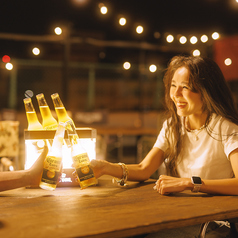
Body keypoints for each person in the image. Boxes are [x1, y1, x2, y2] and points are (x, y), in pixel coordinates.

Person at [91, 55, 238, 196]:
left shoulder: (226, 129)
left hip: (217, 216)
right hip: (185, 210)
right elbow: (144, 169)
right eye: (173, 85)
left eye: (185, 87)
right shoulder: (173, 125)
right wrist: (105, 167)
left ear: (207, 91)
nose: (176, 94)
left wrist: (189, 183)